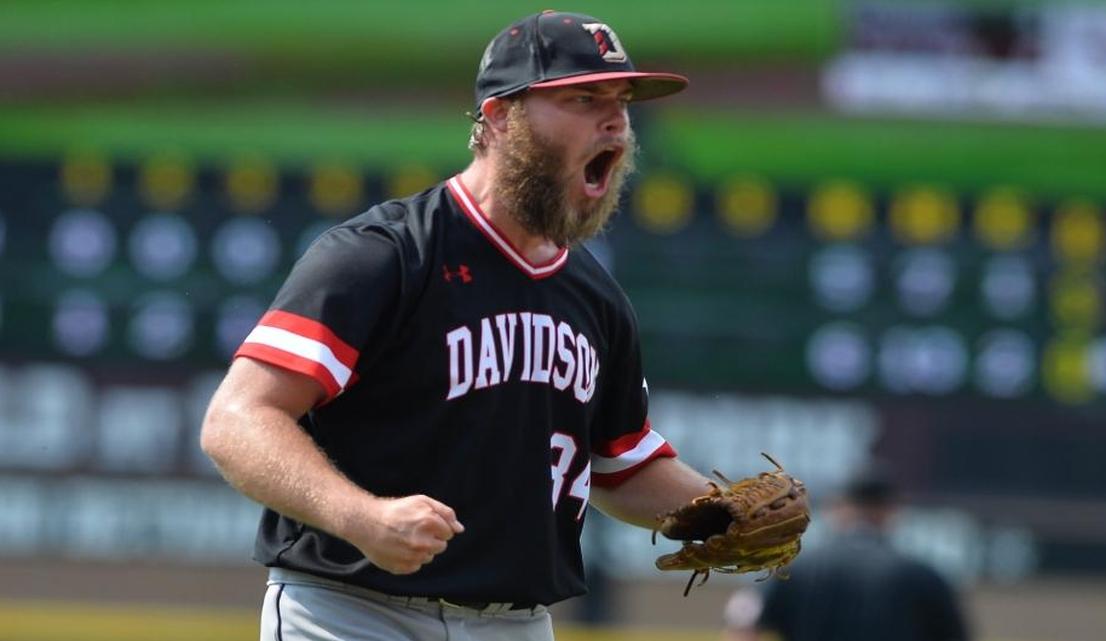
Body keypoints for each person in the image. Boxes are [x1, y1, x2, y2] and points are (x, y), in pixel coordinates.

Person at [199, 10, 714, 641]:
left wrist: (724, 515)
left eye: (622, 103)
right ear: (500, 118)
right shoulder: (386, 256)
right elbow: (237, 419)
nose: (614, 122)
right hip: (355, 612)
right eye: (583, 100)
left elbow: (621, 465)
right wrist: (361, 517)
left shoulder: (596, 299)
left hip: (518, 624)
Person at [721, 462, 971, 641]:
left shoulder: (795, 569)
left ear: (838, 508)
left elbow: (744, 624)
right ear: (891, 512)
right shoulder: (922, 575)